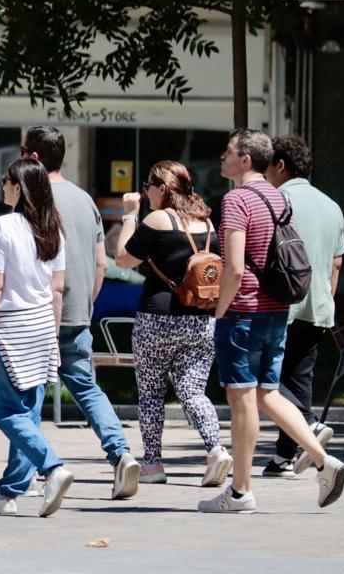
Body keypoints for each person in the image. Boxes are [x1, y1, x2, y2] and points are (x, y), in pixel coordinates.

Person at [199, 129, 344, 514]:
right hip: (277, 309)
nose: (222, 157)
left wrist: (219, 311)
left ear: (245, 159)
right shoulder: (277, 197)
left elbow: (233, 267)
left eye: (228, 152)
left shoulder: (236, 200)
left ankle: (240, 492)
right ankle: (324, 461)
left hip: (244, 311)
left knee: (242, 397)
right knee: (267, 392)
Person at [20, 126, 139, 500]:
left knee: (28, 392)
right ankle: (120, 454)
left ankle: (27, 473)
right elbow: (101, 262)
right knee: (87, 388)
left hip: (40, 311)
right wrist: (86, 301)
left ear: (35, 158)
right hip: (78, 313)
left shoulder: (33, 199)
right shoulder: (86, 200)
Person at [114, 160, 230, 487]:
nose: (146, 191)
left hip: (158, 320)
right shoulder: (206, 221)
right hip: (200, 321)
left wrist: (129, 214)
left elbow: (123, 257)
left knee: (151, 394)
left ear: (162, 188)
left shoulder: (158, 218)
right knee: (193, 391)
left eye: (149, 185)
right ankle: (216, 449)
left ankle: (152, 464)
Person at [0, 157, 74, 517]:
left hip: (11, 327)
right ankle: (9, 493)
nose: (2, 185)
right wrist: (55, 338)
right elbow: (58, 289)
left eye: (5, 180)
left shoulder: (3, 226)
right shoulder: (54, 231)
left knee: (5, 412)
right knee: (28, 413)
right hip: (42, 326)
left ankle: (51, 467)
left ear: (19, 187)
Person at [260, 136, 344, 479]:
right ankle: (284, 456)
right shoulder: (332, 205)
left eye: (267, 167)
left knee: (260, 376)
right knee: (299, 377)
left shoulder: (278, 200)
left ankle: (308, 424)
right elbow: (336, 264)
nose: (264, 175)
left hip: (282, 303)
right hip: (319, 304)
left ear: (280, 166)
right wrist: (325, 299)